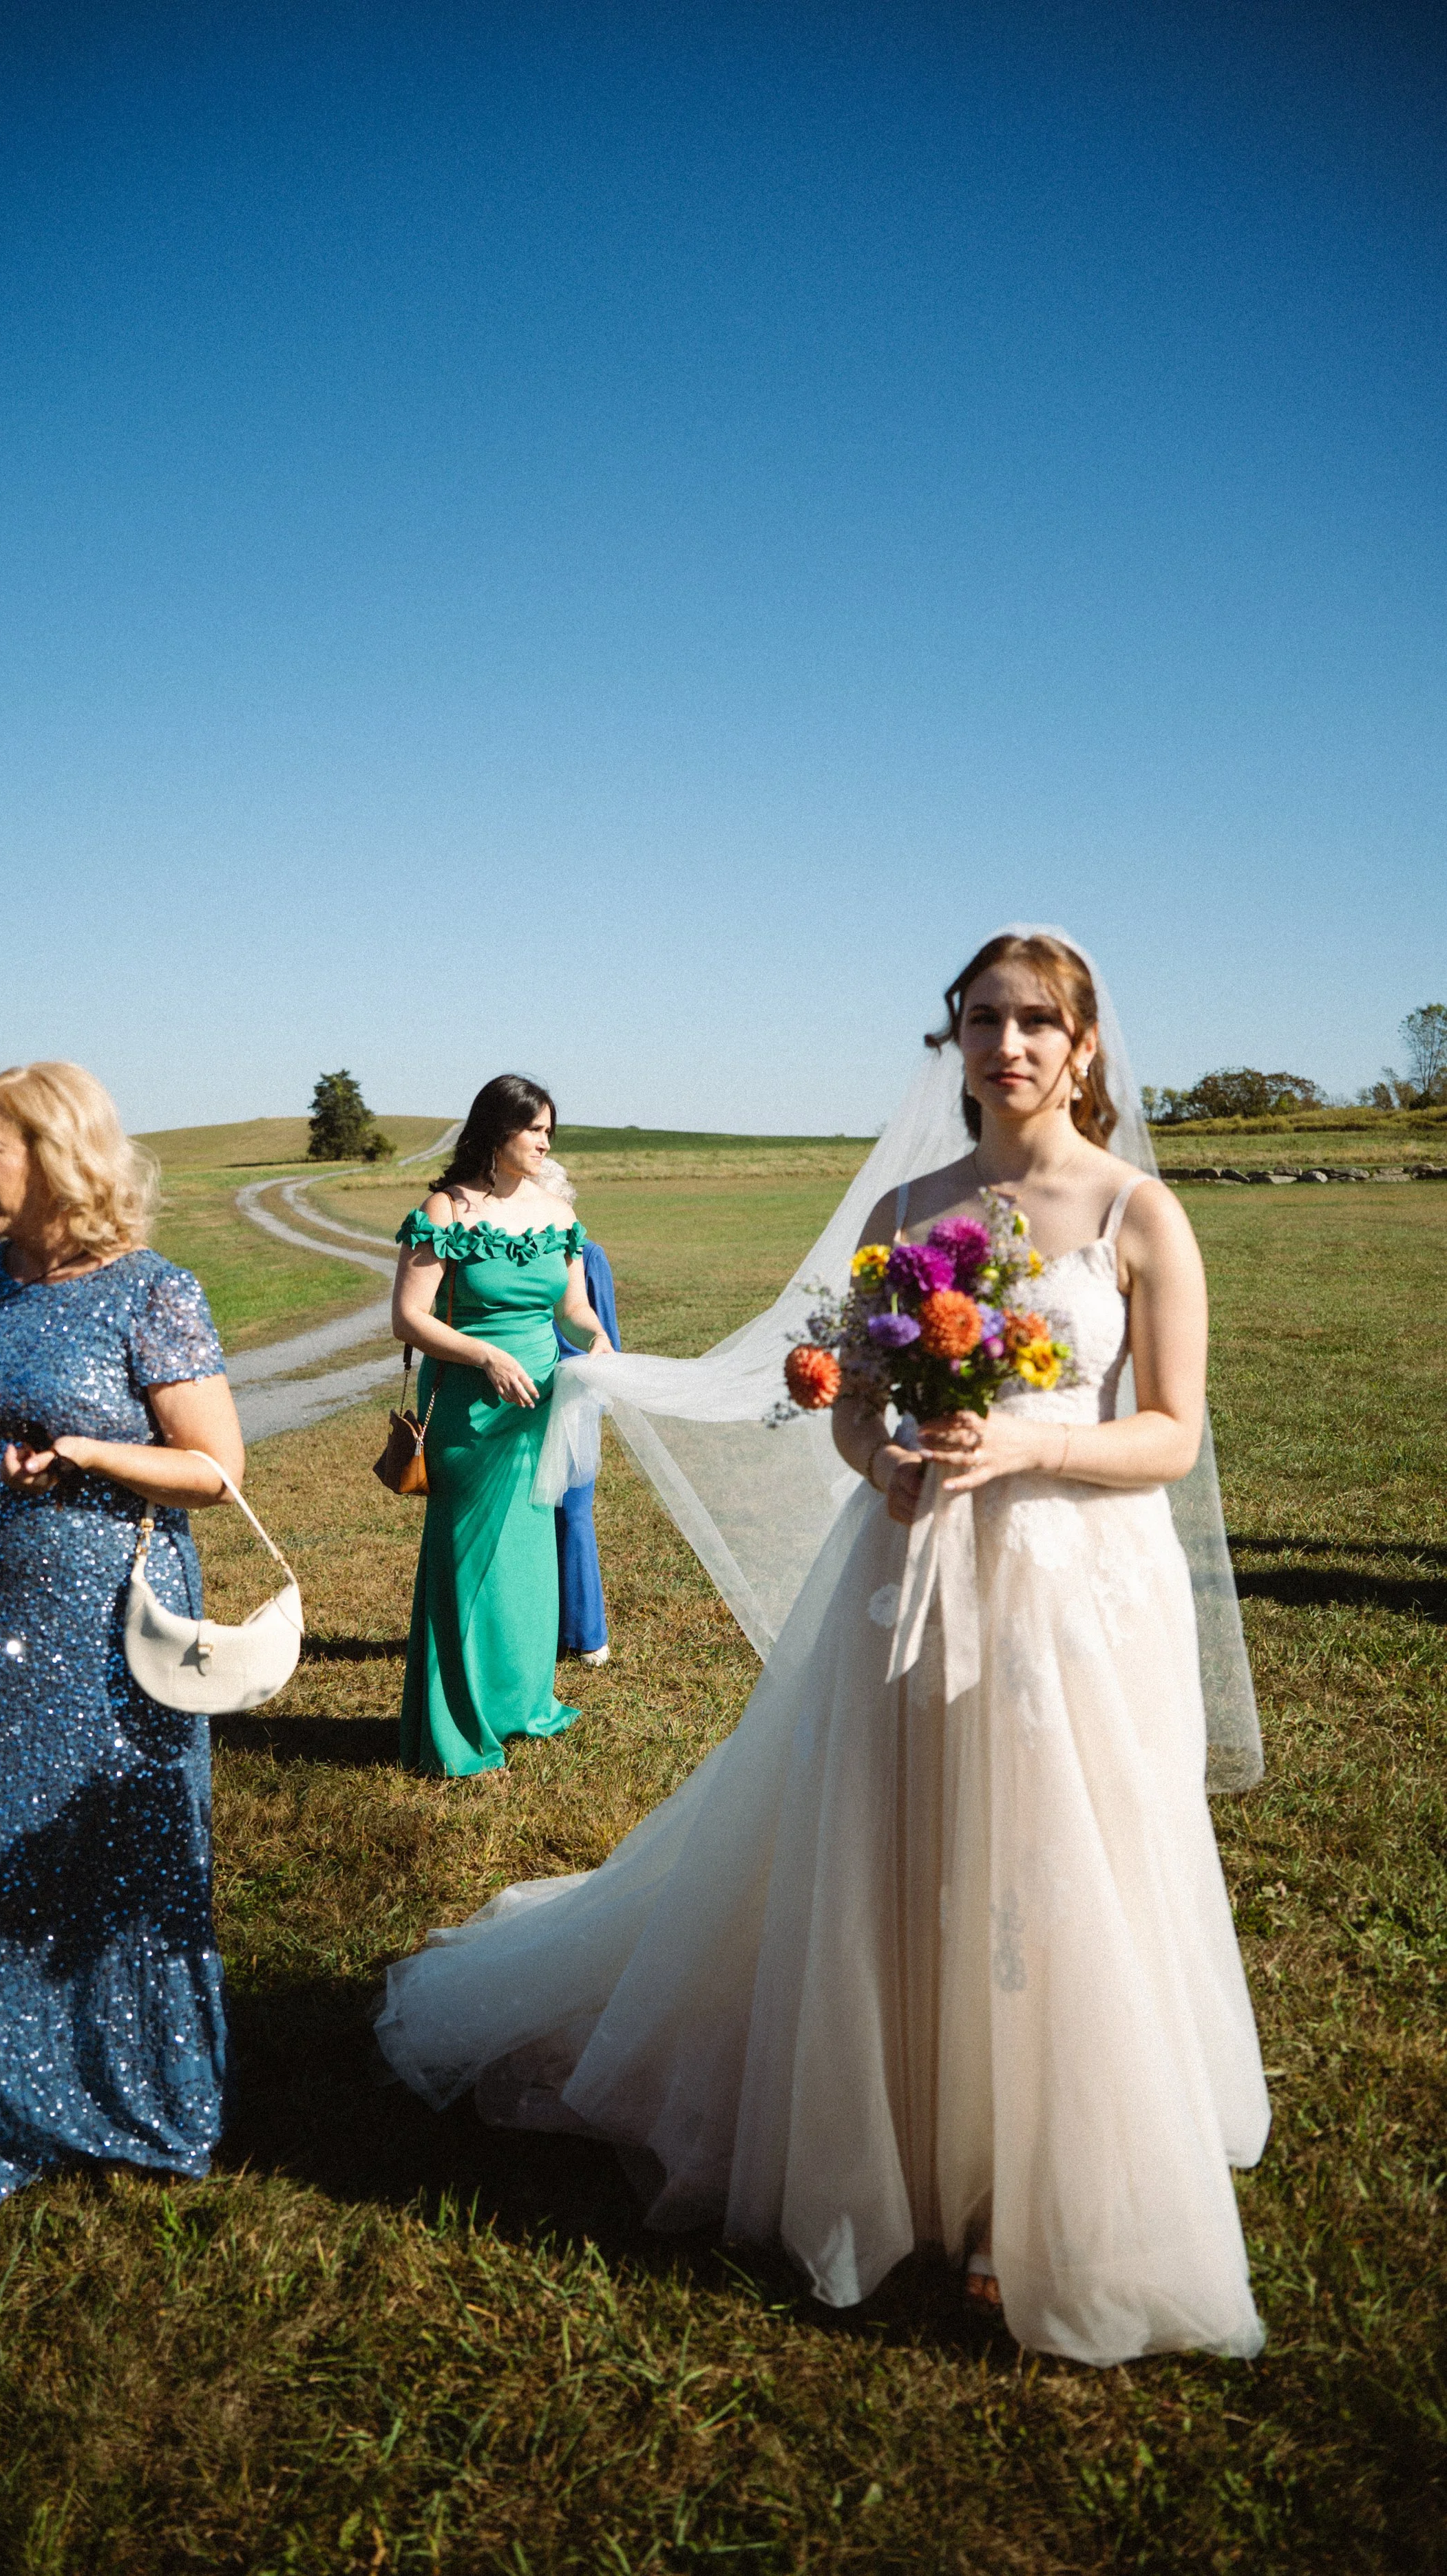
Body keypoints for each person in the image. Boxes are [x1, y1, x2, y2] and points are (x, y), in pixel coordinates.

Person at [377, 933, 1269, 2365]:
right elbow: (853, 1406)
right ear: (955, 1040)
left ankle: (1029, 2189)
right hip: (911, 1566)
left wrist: (1025, 1439)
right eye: (984, 1018)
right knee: (901, 1854)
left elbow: (1166, 1430)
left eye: (1040, 1021)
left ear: (1084, 1047)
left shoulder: (1137, 1212)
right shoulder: (906, 1208)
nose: (1010, 1043)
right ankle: (899, 2137)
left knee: (1058, 1861)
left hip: (1076, 1584)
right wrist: (890, 1457)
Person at [0, 1061, 246, 2209]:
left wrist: (86, 1452)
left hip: (109, 1626)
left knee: (118, 1858)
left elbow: (214, 1469)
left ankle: (136, 2095)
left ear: (59, 1154)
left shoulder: (152, 1291)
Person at [391, 1076, 615, 1778]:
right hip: (468, 1404)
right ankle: (456, 1726)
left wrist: (600, 1342)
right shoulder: (446, 1209)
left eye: (550, 1131)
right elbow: (409, 1318)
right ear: (497, 1133)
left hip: (540, 1405)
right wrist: (485, 1353)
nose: (545, 1142)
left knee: (525, 1559)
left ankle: (522, 1702)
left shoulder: (556, 1212)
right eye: (534, 1130)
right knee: (465, 1563)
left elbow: (573, 1308)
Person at [542, 1160, 621, 1665]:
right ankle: (544, 1627)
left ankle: (587, 1632)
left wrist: (597, 1393)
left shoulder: (588, 1256)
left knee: (572, 1512)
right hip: (521, 1398)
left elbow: (606, 1336)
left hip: (572, 1400)